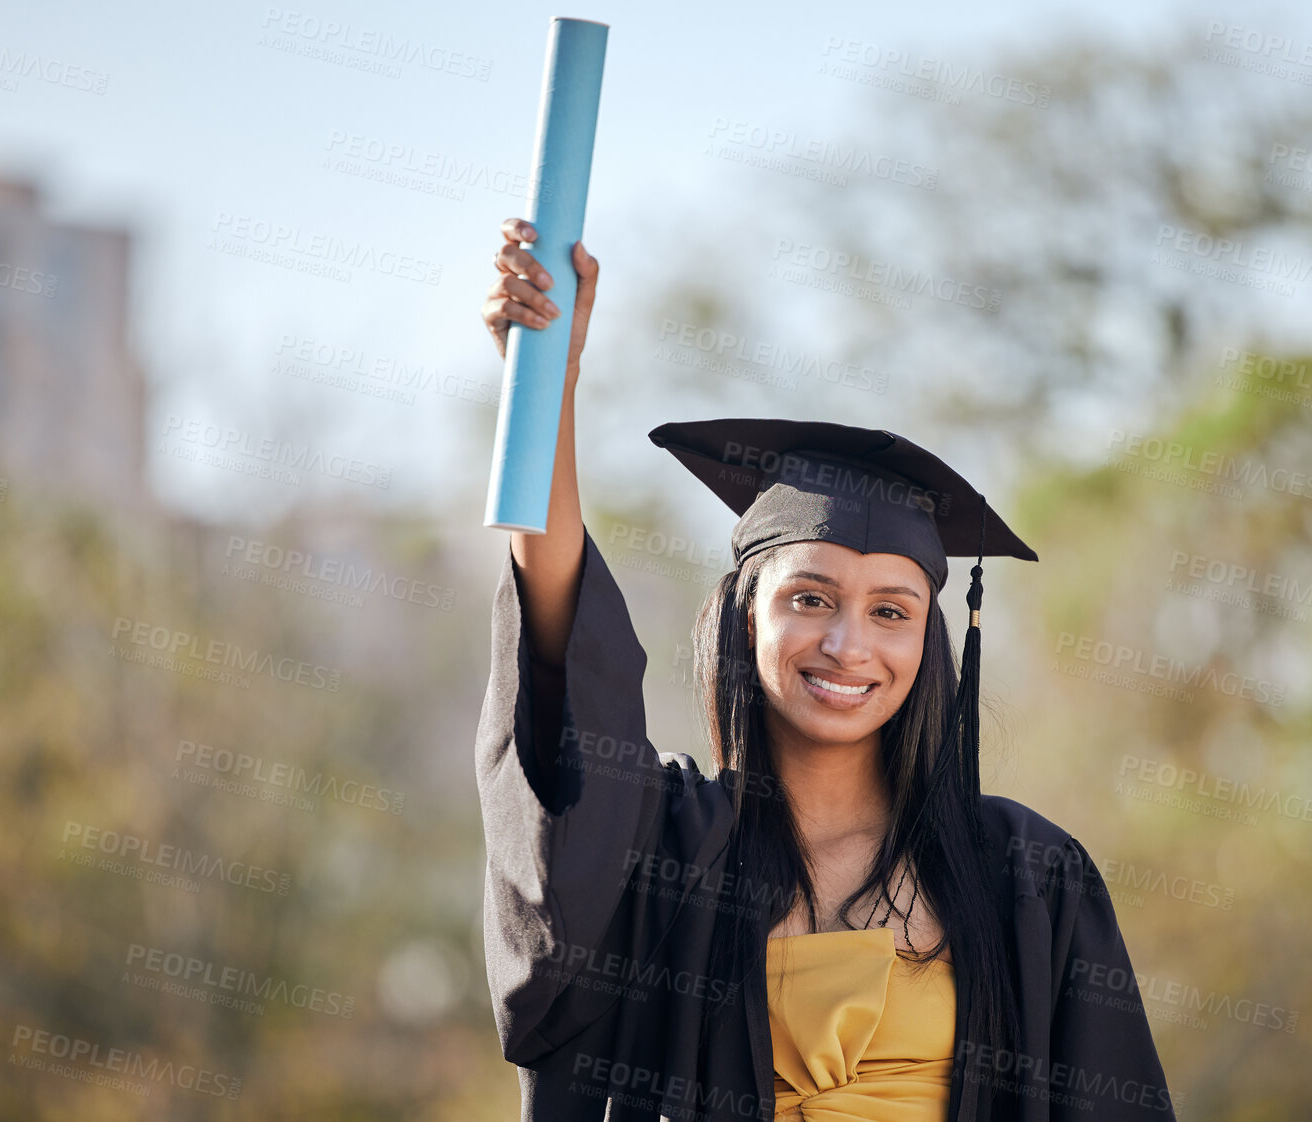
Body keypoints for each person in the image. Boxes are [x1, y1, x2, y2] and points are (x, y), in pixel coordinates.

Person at [476, 218, 1177, 1122]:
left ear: (930, 641)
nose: (849, 646)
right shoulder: (669, 854)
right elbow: (569, 661)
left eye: (892, 611)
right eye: (809, 599)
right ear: (744, 616)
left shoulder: (1027, 878)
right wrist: (545, 385)